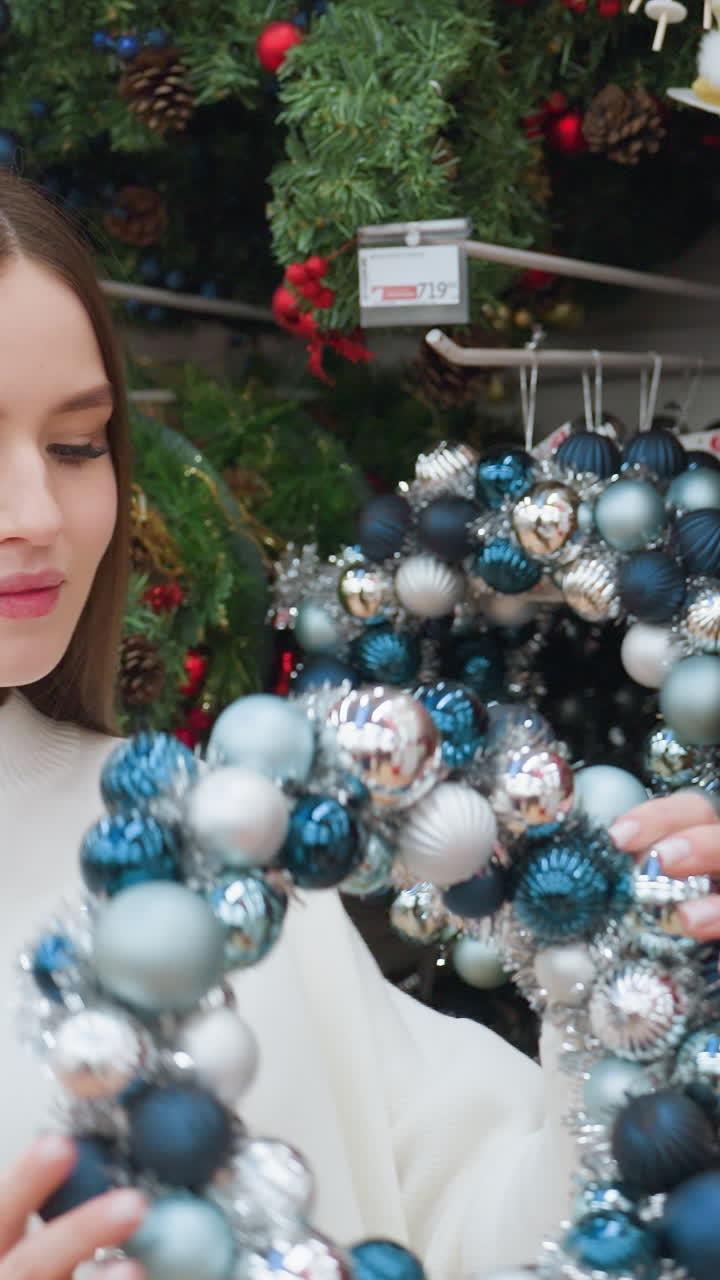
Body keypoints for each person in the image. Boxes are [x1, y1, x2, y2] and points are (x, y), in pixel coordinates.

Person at [0, 170, 719, 1280]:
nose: (39, 516)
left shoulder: (207, 837)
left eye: (78, 445)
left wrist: (632, 1027)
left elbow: (482, 1223)